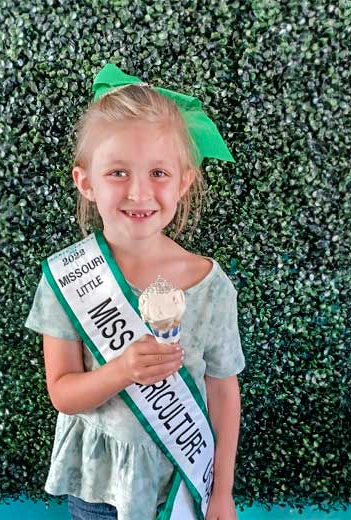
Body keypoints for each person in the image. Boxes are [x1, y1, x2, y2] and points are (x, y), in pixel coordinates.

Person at [24, 63, 246, 520]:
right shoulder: (68, 276)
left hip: (182, 485)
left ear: (184, 181)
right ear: (86, 182)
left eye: (159, 173)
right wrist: (123, 369)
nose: (140, 193)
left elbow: (223, 391)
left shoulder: (211, 284)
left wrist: (221, 493)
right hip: (100, 487)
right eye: (118, 172)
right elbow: (62, 392)